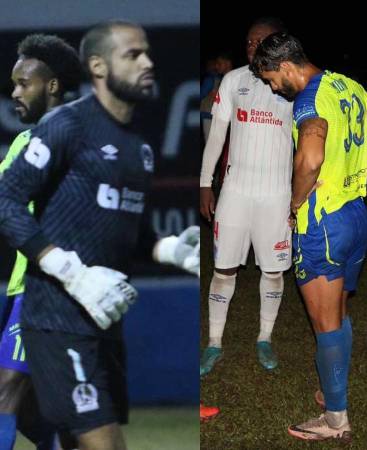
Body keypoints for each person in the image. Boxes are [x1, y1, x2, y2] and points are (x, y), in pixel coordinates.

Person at [0, 20, 198, 450]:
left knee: (66, 431)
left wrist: (170, 250)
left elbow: (125, 229)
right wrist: (68, 270)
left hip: (98, 317)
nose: (148, 62)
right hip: (48, 308)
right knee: (20, 400)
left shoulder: (135, 148)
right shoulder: (58, 130)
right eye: (133, 54)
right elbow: (7, 202)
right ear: (98, 66)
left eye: (146, 52)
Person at [250, 32, 367, 441]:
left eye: (270, 79)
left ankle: (335, 420)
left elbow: (311, 155)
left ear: (286, 66)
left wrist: (295, 204)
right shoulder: (346, 84)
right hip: (354, 215)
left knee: (324, 321)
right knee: (338, 312)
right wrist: (351, 180)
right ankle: (333, 391)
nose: (273, 87)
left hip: (323, 224)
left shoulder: (308, 99)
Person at [0, 33, 82, 450]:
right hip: (25, 288)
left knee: (6, 391)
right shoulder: (23, 141)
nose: (14, 93)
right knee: (42, 414)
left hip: (53, 292)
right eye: (13, 84)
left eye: (22, 84)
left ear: (51, 86)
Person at [199, 17, 292, 376]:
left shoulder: (292, 86)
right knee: (223, 268)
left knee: (273, 271)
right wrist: (205, 183)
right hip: (235, 194)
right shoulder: (233, 80)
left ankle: (264, 338)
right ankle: (214, 343)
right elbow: (216, 136)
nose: (253, 48)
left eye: (261, 42)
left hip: (276, 196)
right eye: (249, 42)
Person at [200, 53, 233, 144]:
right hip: (212, 118)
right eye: (215, 64)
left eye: (219, 63)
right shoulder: (215, 79)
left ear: (227, 63)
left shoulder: (235, 78)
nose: (216, 66)